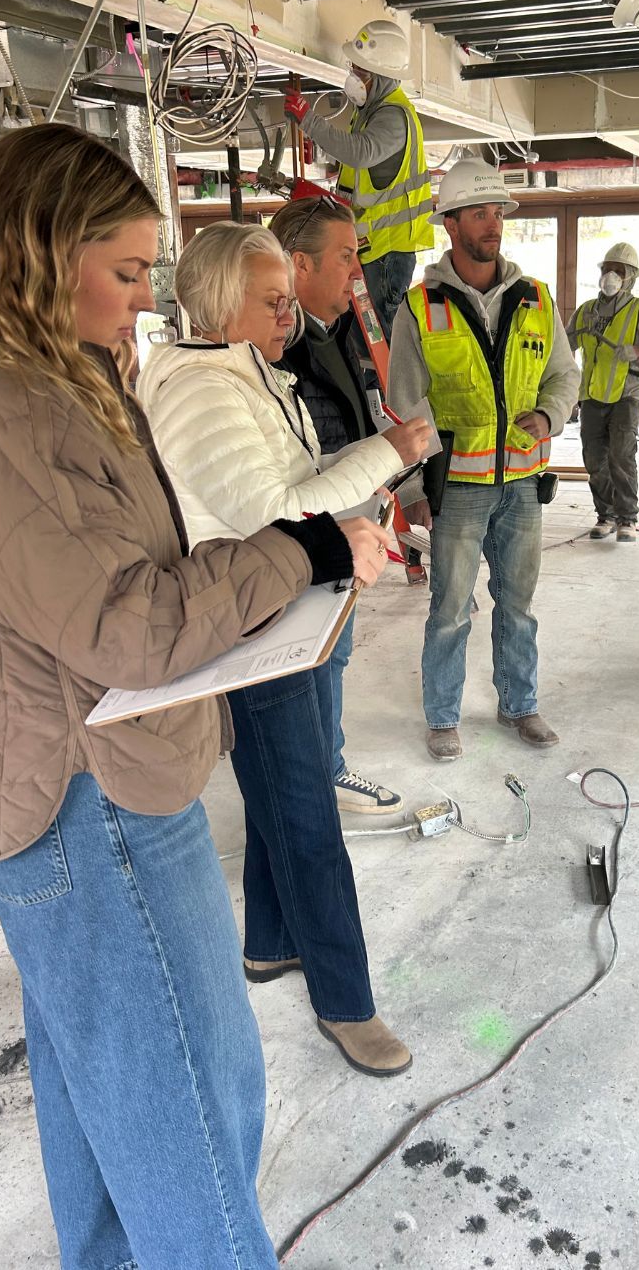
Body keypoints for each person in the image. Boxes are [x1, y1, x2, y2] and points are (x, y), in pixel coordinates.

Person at [0, 123, 391, 1268]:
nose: (144, 301)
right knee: (194, 1096)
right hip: (88, 790)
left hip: (55, 774)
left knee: (110, 1097)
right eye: (129, 273)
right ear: (40, 249)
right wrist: (305, 552)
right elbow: (124, 621)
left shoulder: (34, 370)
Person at [136, 221, 430, 1077]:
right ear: (221, 302)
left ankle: (269, 943)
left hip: (284, 603)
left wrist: (357, 467)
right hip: (252, 620)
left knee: (282, 790)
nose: (286, 316)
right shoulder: (198, 388)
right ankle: (348, 1003)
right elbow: (280, 512)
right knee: (305, 817)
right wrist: (387, 455)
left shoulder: (242, 370)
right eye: (270, 302)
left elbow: (297, 480)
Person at [387, 159, 580, 761]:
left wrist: (548, 417)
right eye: (479, 212)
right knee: (449, 610)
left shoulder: (535, 299)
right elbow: (403, 402)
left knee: (518, 607)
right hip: (460, 491)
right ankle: (442, 715)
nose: (492, 223)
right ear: (450, 223)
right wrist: (416, 487)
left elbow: (563, 375)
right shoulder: (420, 308)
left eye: (497, 212)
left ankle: (519, 704)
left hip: (522, 486)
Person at [269, 193, 404, 817]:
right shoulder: (275, 346)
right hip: (311, 529)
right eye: (346, 257)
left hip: (353, 511)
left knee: (333, 654)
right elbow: (294, 468)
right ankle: (309, 784)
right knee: (304, 661)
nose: (357, 272)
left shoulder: (340, 327)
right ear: (299, 264)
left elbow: (365, 406)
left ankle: (327, 766)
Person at [285, 20, 432, 338]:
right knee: (361, 343)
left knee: (377, 345)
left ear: (380, 76)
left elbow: (360, 153)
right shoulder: (372, 112)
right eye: (353, 69)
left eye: (360, 73)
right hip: (372, 251)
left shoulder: (394, 116)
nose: (353, 79)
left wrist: (307, 120)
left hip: (387, 254)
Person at [567, 240, 639, 542]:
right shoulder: (586, 311)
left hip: (626, 395)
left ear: (630, 277)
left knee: (621, 456)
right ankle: (606, 515)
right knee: (594, 459)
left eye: (618, 271)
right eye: (607, 269)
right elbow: (566, 345)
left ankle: (627, 518)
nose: (610, 276)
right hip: (591, 397)